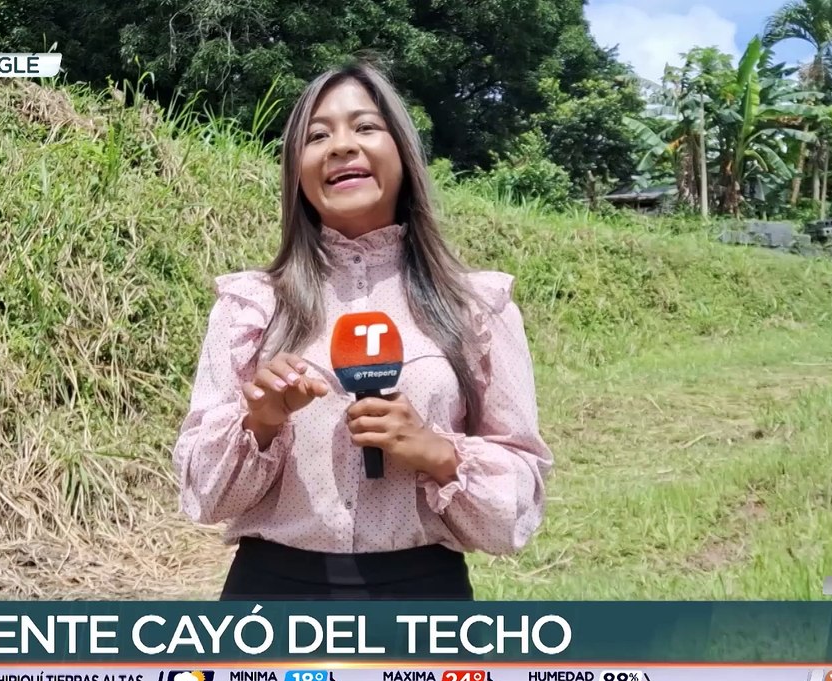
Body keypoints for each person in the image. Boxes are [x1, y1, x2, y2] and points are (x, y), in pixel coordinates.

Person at [172, 60, 553, 601]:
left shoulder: (477, 307)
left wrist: (436, 452)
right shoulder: (250, 305)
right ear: (296, 171)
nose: (340, 146)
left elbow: (517, 511)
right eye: (317, 135)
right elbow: (203, 498)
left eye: (365, 127)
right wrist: (259, 421)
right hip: (269, 600)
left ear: (403, 152)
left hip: (425, 600)